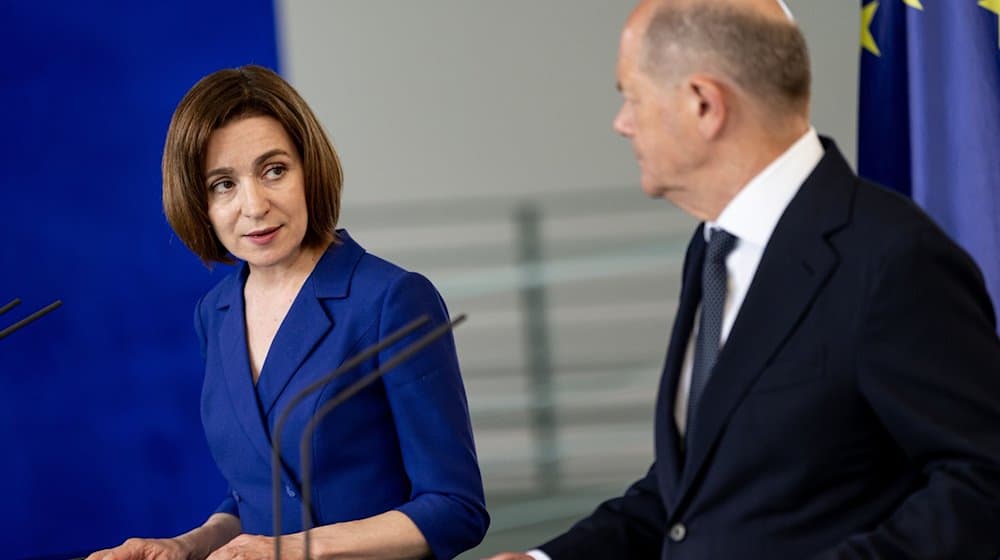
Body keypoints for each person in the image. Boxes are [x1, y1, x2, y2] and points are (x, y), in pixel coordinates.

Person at [488, 0, 1000, 558]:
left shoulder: (892, 258)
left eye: (631, 96)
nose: (622, 123)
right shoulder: (712, 250)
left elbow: (983, 483)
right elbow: (690, 494)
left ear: (704, 104)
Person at [87, 64, 488, 560]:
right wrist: (184, 546)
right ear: (199, 202)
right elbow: (261, 493)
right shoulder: (215, 312)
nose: (253, 206)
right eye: (223, 184)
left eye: (273, 170)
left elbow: (455, 507)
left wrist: (293, 549)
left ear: (309, 170)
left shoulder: (392, 299)